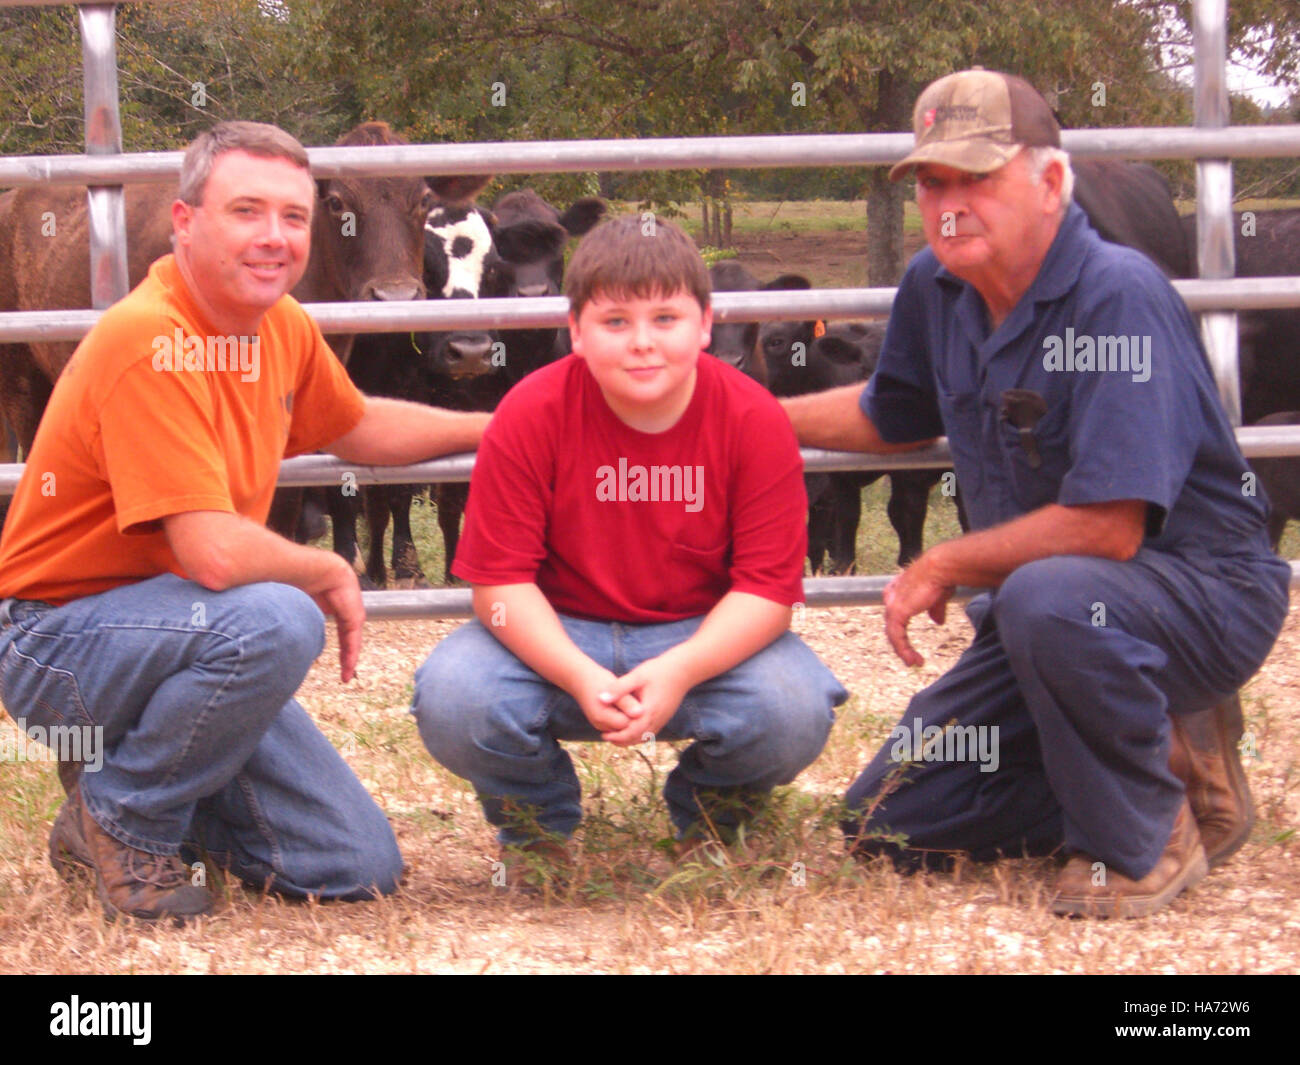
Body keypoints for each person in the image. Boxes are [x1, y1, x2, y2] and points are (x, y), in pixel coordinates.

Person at [781, 69, 1289, 917]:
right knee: (892, 816)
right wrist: (753, 417)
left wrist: (943, 559)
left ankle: (1145, 837)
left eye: (975, 179)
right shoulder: (936, 286)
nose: (949, 206)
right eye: (932, 183)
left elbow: (1108, 528)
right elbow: (889, 412)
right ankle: (1168, 756)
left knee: (1048, 596)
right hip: (1047, 621)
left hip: (1195, 594)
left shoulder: (1118, 295)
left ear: (1051, 181)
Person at [0, 121, 490, 923]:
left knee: (351, 862)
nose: (274, 236)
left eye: (294, 216)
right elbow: (213, 555)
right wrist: (326, 566)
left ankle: (121, 785)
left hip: (182, 638)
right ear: (185, 221)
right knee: (277, 617)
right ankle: (122, 817)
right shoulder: (151, 339)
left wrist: (498, 429)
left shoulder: (278, 325)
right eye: (246, 211)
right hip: (58, 641)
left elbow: (359, 425)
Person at [410, 215, 846, 880]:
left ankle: (710, 820)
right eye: (615, 321)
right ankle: (535, 829)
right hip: (558, 631)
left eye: (665, 318)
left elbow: (767, 593)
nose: (642, 342)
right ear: (576, 329)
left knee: (792, 706)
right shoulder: (530, 411)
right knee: (455, 695)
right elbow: (498, 587)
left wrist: (679, 671)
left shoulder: (754, 418)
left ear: (705, 324)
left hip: (700, 634)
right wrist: (578, 674)